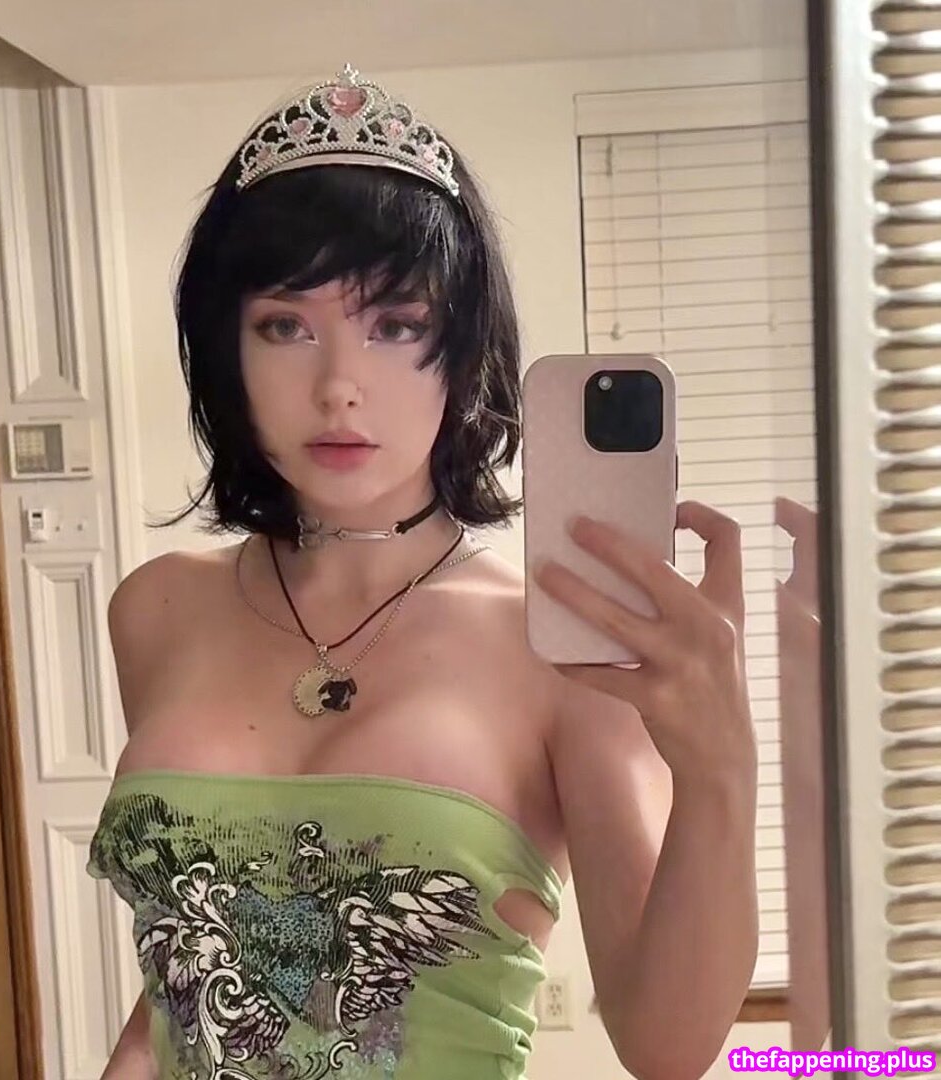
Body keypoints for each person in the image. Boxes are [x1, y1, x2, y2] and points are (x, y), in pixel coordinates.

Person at [88, 63, 759, 1080]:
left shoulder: (559, 641)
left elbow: (667, 1047)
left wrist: (718, 768)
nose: (339, 386)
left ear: (464, 353)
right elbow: (188, 955)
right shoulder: (157, 608)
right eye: (285, 325)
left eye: (396, 325)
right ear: (227, 351)